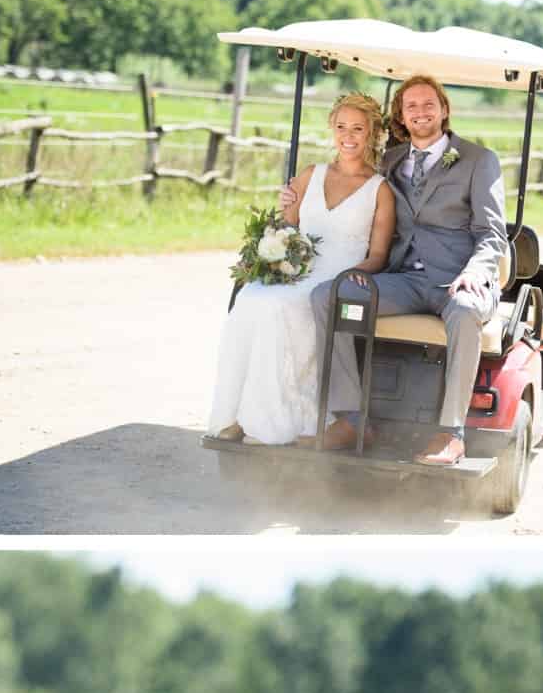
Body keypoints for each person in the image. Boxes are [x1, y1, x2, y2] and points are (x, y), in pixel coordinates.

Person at [313, 72, 507, 465]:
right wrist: (297, 198)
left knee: (468, 310)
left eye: (428, 104)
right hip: (406, 280)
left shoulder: (478, 160)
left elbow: (492, 234)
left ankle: (451, 432)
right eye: (411, 105)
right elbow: (352, 184)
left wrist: (474, 272)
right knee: (330, 298)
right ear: (401, 115)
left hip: (459, 281)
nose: (420, 112)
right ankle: (351, 417)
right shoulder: (392, 159)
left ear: (444, 110)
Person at [207, 91, 394, 447]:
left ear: (371, 133)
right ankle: (239, 415)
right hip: (301, 268)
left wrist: (349, 276)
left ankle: (277, 422)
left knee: (278, 307)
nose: (348, 136)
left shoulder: (379, 190)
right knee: (251, 297)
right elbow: (286, 228)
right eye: (341, 127)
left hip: (338, 275)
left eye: (358, 128)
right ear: (331, 129)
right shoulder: (311, 174)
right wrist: (274, 249)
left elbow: (379, 254)